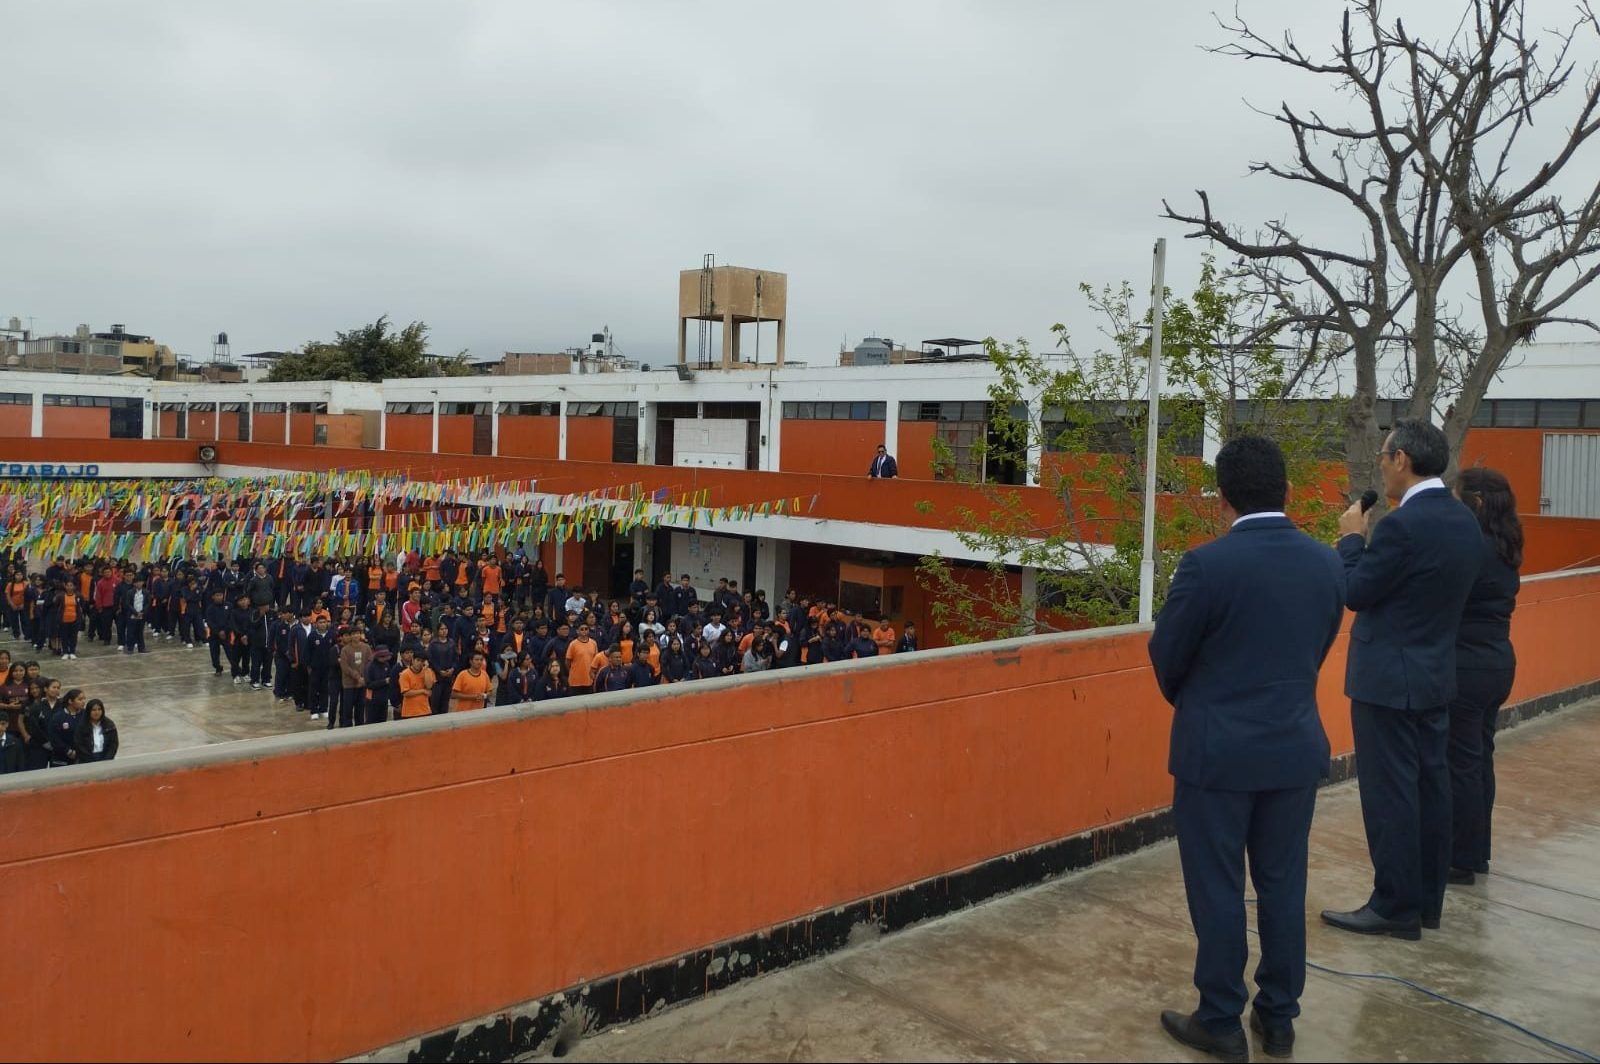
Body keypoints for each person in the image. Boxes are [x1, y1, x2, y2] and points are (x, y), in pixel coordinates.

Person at [1148, 435, 1346, 1062]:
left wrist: (1207, 706)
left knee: (1218, 887)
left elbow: (1166, 658)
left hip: (1217, 755)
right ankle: (1279, 1018)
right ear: (1287, 492)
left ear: (1222, 499)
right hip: (1292, 749)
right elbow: (1314, 647)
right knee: (1284, 884)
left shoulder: (1206, 565)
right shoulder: (1326, 563)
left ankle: (1220, 1020)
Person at [1323, 418, 1485, 941]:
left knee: (1391, 794)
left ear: (1402, 460)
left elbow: (1358, 592)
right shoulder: (1463, 521)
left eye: (1385, 456)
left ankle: (1393, 906)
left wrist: (1351, 541)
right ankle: (1424, 903)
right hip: (1436, 674)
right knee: (1430, 790)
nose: (1382, 466)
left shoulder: (1399, 525)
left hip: (1388, 681)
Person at [1448, 467, 1522, 884]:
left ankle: (1459, 859)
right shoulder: (1506, 544)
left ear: (1474, 502)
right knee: (1479, 758)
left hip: (1467, 666)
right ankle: (1476, 852)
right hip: (1497, 662)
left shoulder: (1472, 549)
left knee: (1460, 763)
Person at [73, 699, 118, 763]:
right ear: (88, 711)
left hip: (105, 758)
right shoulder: (82, 726)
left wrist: (107, 759)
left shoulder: (109, 725)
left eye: (99, 709)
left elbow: (113, 744)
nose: (97, 712)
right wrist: (90, 760)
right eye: (94, 710)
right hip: (87, 761)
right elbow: (79, 745)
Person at [397, 652, 437, 720]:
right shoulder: (405, 674)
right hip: (409, 712)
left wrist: (426, 669)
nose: (419, 663)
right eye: (418, 660)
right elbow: (406, 693)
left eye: (422, 661)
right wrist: (422, 691)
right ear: (413, 660)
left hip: (425, 710)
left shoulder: (428, 671)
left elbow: (429, 686)